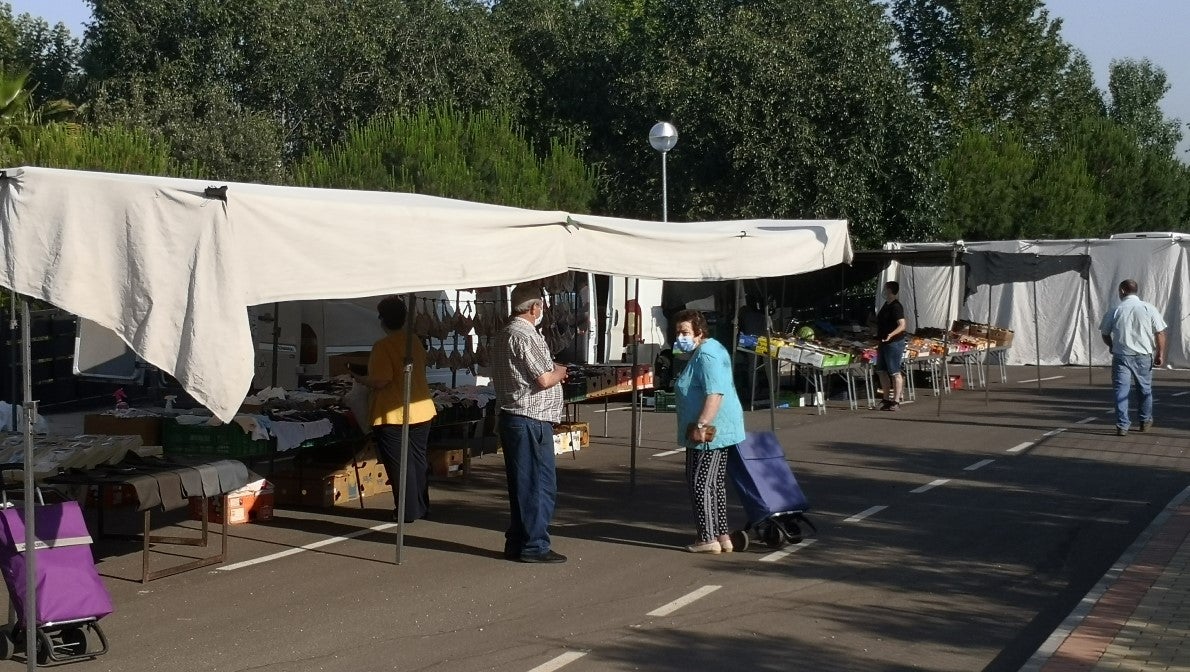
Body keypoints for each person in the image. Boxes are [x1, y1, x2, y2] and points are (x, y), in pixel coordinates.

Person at [491, 283, 569, 563]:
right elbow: (544, 379)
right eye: (541, 306)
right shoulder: (525, 335)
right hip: (530, 418)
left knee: (522, 485)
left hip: (516, 416)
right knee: (538, 485)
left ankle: (518, 541)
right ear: (535, 308)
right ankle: (534, 545)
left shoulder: (504, 333)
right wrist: (560, 371)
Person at [351, 296, 437, 523]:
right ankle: (421, 506)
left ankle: (407, 511)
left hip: (393, 412)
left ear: (382, 320)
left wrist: (360, 378)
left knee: (400, 464)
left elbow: (381, 380)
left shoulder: (383, 346)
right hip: (421, 408)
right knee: (417, 460)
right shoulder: (414, 341)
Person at [672, 308, 746, 554]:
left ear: (699, 332)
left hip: (708, 430)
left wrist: (701, 424)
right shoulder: (711, 349)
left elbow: (715, 393)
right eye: (678, 332)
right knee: (713, 483)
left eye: (685, 332)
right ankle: (722, 535)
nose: (680, 337)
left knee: (700, 483)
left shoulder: (706, 355)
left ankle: (707, 538)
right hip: (719, 428)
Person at [1099, 279, 1167, 436]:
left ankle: (1122, 425)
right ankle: (1145, 420)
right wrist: (1160, 354)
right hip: (1143, 355)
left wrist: (1111, 345)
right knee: (1144, 389)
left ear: (1122, 291)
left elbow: (1105, 333)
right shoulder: (1149, 308)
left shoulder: (1116, 310)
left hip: (1121, 355)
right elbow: (1160, 332)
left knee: (1121, 391)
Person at [875, 281, 907, 411]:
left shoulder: (896, 306)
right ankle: (886, 399)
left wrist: (891, 334)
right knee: (881, 371)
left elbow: (902, 325)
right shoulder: (886, 304)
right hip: (883, 342)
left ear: (889, 290)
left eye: (885, 289)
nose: (883, 291)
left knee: (894, 372)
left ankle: (896, 401)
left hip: (894, 343)